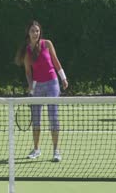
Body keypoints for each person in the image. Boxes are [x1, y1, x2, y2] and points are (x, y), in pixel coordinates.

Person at [15, 20, 68, 162]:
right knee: (36, 119)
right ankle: (36, 149)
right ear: (28, 33)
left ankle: (56, 151)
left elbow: (56, 62)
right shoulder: (26, 51)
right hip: (37, 86)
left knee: (53, 117)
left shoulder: (47, 44)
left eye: (37, 31)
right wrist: (31, 86)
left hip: (52, 83)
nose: (35, 33)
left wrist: (63, 78)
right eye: (32, 31)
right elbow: (28, 72)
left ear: (40, 32)